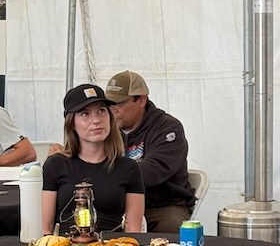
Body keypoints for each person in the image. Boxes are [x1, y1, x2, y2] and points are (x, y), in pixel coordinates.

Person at [41, 84, 144, 235]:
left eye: (101, 111)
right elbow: (46, 229)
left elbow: (133, 230)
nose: (96, 120)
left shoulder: (129, 168)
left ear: (110, 117)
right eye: (85, 114)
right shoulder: (55, 165)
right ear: (72, 123)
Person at [103, 70, 195, 232]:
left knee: (172, 231)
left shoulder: (167, 127)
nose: (112, 109)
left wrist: (106, 173)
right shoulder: (104, 128)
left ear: (141, 100)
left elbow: (153, 170)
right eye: (109, 104)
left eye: (119, 103)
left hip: (162, 206)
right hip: (118, 206)